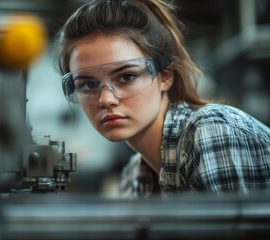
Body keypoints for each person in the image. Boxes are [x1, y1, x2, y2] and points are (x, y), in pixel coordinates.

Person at [55, 0, 270, 197]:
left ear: (165, 76)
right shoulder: (134, 176)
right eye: (88, 84)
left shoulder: (210, 130)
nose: (105, 99)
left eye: (126, 77)